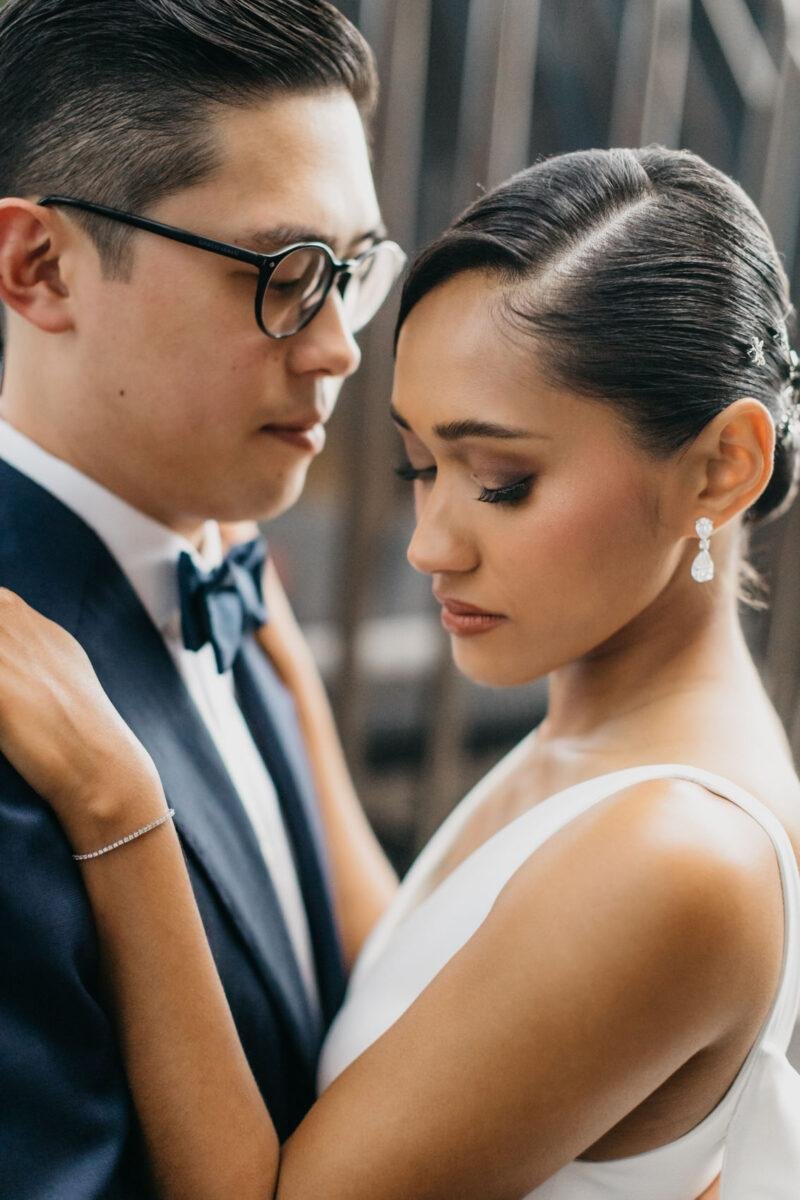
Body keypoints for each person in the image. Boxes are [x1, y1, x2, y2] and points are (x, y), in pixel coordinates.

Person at [1, 143, 799, 1197]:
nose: (429, 545)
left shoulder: (675, 856)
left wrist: (117, 805)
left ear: (721, 466)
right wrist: (283, 667)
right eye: (417, 466)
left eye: (501, 481)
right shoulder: (605, 731)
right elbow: (432, 982)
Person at [0, 2, 403, 1196]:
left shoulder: (229, 566)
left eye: (352, 272)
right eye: (282, 275)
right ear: (41, 268)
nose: (337, 347)